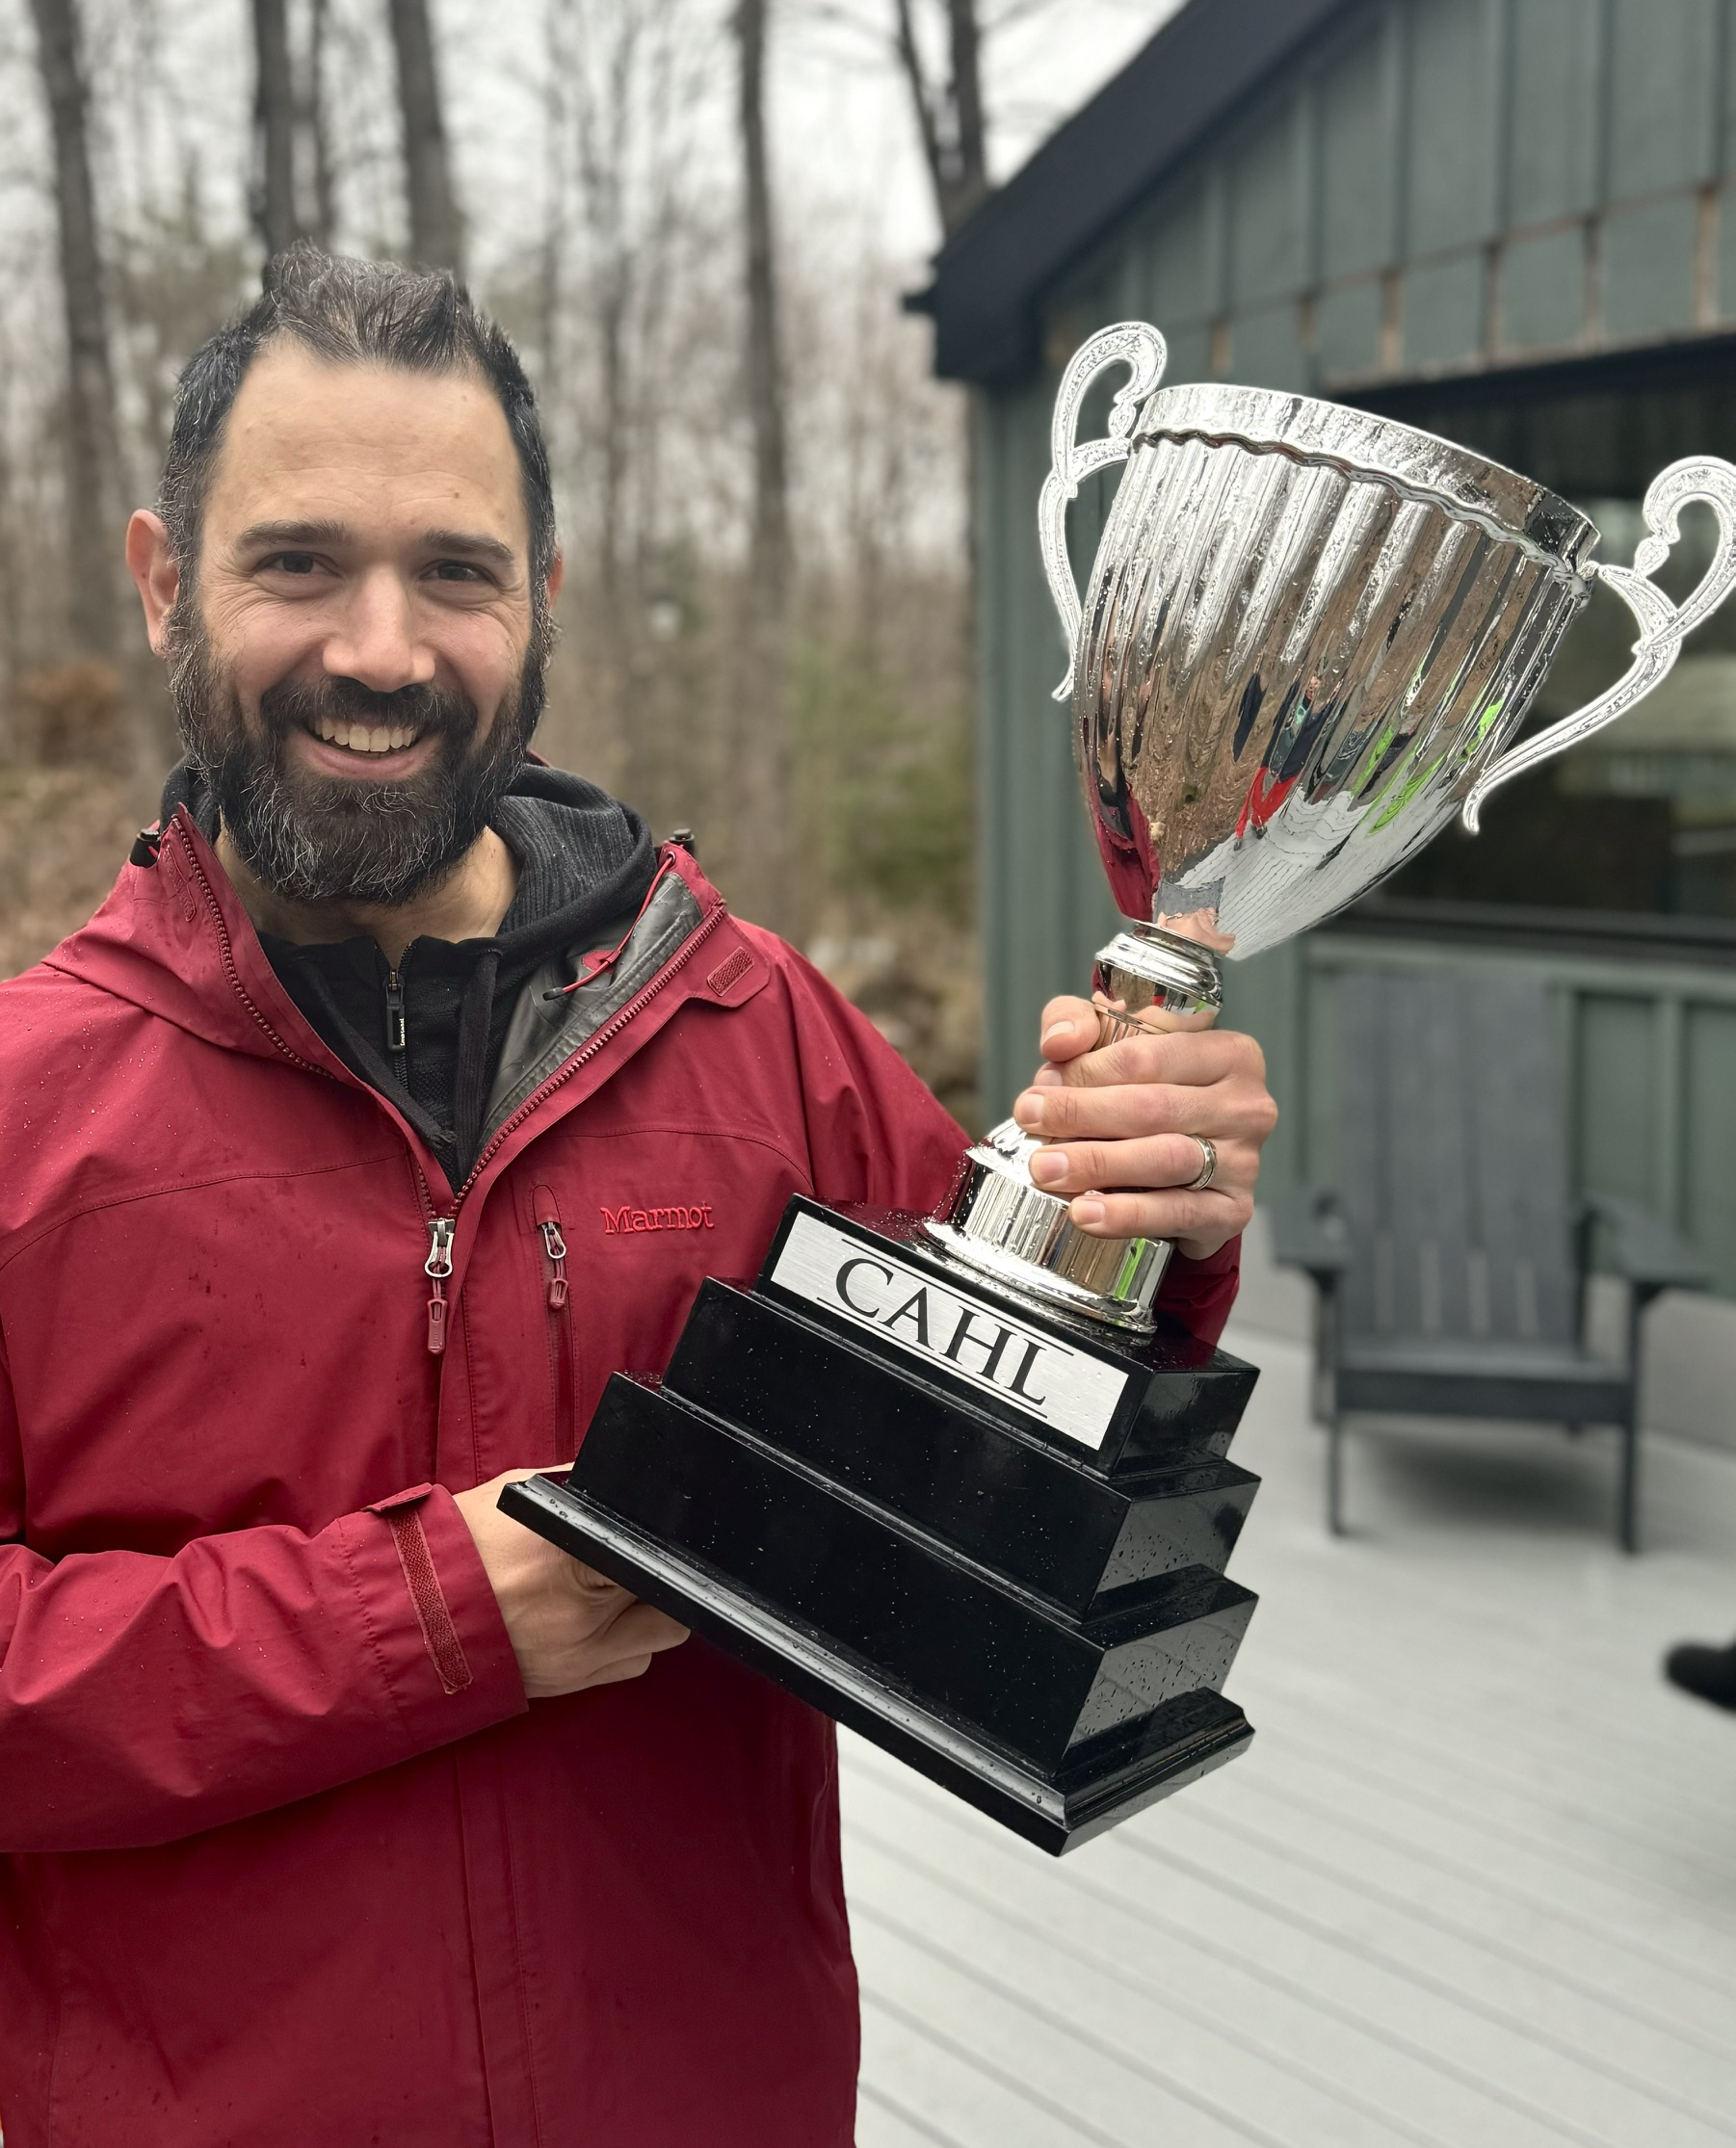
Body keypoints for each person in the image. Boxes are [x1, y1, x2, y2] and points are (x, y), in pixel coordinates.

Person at [0, 246, 1277, 2147]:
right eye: (296, 562)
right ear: (165, 578)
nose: (380, 646)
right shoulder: (32, 1112)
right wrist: (435, 1614)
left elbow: (1004, 1459)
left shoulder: (757, 1030)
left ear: (545, 600)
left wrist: (1144, 1220)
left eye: (455, 569)